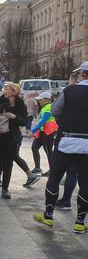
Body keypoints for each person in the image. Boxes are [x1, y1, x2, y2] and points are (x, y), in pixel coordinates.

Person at [33, 62, 88, 233]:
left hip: (66, 141)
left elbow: (55, 111)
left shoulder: (70, 90)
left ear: (83, 74)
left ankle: (48, 215)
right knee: (85, 183)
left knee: (55, 177)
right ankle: (80, 221)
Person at [0, 83, 30, 199]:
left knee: (8, 164)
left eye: (7, 89)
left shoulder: (20, 104)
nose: (5, 91)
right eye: (5, 89)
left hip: (12, 138)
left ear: (14, 91)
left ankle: (5, 189)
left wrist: (14, 117)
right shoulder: (0, 100)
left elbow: (24, 121)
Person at [55, 72, 81, 210]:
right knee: (76, 172)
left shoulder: (69, 92)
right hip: (84, 139)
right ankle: (69, 201)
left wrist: (62, 122)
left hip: (67, 137)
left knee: (58, 172)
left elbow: (55, 111)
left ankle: (56, 205)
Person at [30, 91, 57, 176]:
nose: (39, 101)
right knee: (34, 147)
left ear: (46, 99)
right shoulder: (44, 106)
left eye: (41, 100)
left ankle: (52, 171)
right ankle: (37, 168)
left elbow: (43, 121)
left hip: (49, 132)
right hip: (42, 132)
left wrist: (33, 131)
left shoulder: (49, 107)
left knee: (48, 151)